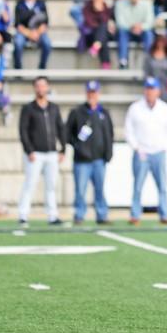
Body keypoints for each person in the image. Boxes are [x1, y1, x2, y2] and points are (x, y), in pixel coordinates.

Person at [125, 77, 167, 226]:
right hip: (142, 152)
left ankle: (164, 213)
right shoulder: (135, 108)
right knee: (138, 185)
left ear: (158, 91)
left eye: (153, 89)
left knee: (162, 185)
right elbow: (129, 130)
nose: (150, 92)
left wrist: (164, 147)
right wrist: (136, 146)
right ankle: (135, 214)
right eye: (148, 89)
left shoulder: (165, 109)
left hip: (158, 151)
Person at [17, 76, 65, 227]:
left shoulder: (54, 108)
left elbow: (60, 128)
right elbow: (23, 130)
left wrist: (62, 148)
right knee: (30, 184)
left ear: (47, 87)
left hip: (51, 153)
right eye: (38, 86)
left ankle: (52, 215)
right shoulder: (28, 108)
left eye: (43, 86)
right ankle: (23, 215)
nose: (41, 89)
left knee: (51, 185)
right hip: (35, 153)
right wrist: (29, 150)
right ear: (34, 88)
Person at [66, 80, 113, 226]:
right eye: (90, 92)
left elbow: (109, 135)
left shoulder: (104, 113)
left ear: (98, 94)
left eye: (94, 92)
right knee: (80, 190)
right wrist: (78, 147)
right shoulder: (77, 112)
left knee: (100, 189)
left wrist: (108, 153)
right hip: (82, 160)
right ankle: (79, 214)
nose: (92, 95)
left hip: (99, 159)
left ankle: (102, 214)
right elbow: (68, 133)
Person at [114, 0, 154, 70]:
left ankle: (149, 61)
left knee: (148, 33)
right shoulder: (120, 4)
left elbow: (150, 22)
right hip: (127, 31)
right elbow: (120, 22)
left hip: (142, 31)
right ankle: (123, 61)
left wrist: (140, 27)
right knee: (122, 32)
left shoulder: (147, 4)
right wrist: (132, 27)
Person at [81, 0, 113, 69]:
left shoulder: (105, 7)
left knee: (103, 29)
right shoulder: (87, 7)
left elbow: (106, 19)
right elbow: (90, 23)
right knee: (103, 33)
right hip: (91, 34)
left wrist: (100, 10)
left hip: (101, 34)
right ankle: (106, 63)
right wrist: (96, 10)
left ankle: (96, 46)